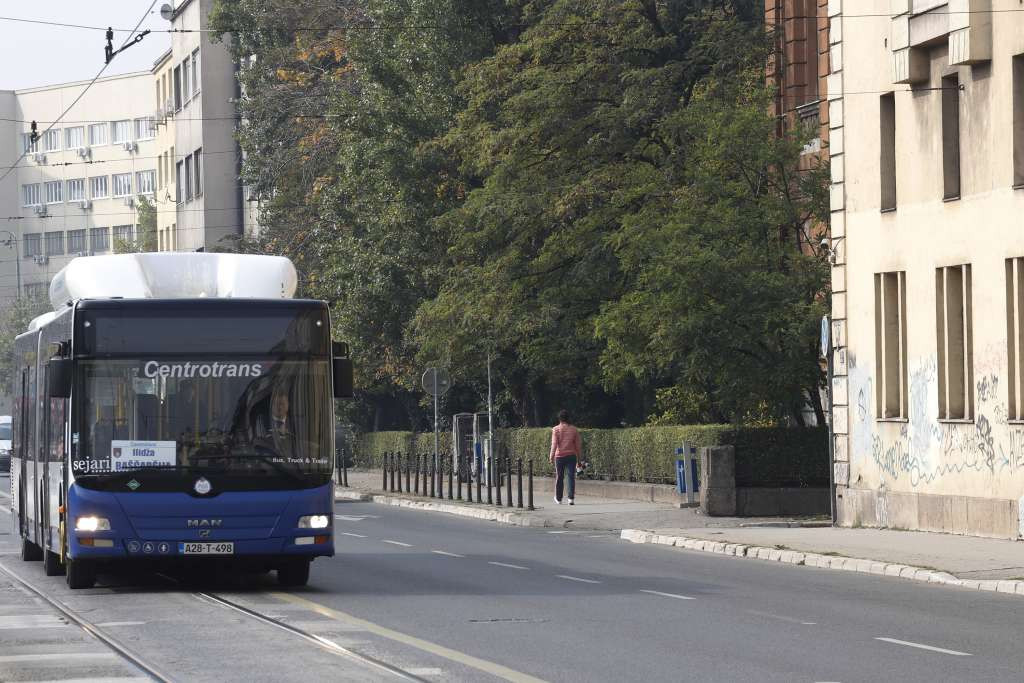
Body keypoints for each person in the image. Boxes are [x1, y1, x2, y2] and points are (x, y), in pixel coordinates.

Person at [549, 409, 582, 505]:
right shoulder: (574, 429)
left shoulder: (556, 429)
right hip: (571, 456)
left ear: (559, 419)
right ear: (568, 418)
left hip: (559, 457)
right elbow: (578, 445)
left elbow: (554, 444)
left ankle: (559, 499)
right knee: (571, 477)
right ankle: (571, 499)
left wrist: (551, 457)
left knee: (559, 477)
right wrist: (579, 459)